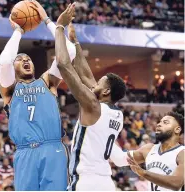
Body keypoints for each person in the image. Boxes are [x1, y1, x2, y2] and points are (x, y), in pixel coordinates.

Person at [0, 1, 76, 190]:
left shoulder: (48, 81)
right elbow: (5, 60)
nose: (25, 60)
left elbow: (70, 53)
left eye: (28, 59)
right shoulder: (10, 89)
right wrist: (18, 31)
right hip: (25, 152)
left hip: (53, 149)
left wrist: (49, 21)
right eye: (21, 59)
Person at [54, 4, 126, 190]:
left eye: (100, 82)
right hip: (106, 182)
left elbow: (63, 64)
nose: (94, 83)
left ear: (106, 92)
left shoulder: (93, 106)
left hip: (86, 181)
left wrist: (59, 27)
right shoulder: (117, 114)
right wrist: (76, 42)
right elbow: (86, 75)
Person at [111, 111, 184, 191]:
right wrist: (105, 138)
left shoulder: (182, 153)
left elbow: (176, 183)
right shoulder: (148, 149)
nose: (159, 124)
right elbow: (119, 160)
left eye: (165, 122)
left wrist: (143, 173)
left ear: (177, 129)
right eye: (159, 122)